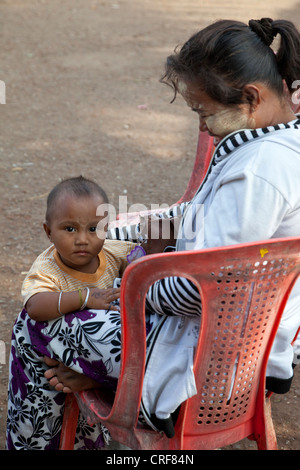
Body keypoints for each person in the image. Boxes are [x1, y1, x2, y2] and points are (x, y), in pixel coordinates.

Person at [7, 17, 300, 450]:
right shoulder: (278, 144)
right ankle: (86, 380)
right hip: (246, 347)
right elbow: (198, 218)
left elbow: (199, 291)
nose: (202, 127)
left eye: (203, 112)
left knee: (32, 324)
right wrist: (117, 229)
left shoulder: (257, 172)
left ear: (251, 98)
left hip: (206, 370)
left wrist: (135, 272)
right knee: (72, 322)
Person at [6, 176, 139, 449]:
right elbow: (35, 306)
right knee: (43, 417)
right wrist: (84, 297)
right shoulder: (47, 268)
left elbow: (138, 256)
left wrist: (135, 262)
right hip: (50, 361)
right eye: (69, 229)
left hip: (85, 353)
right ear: (48, 231)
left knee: (87, 428)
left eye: (93, 229)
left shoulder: (112, 253)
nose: (82, 240)